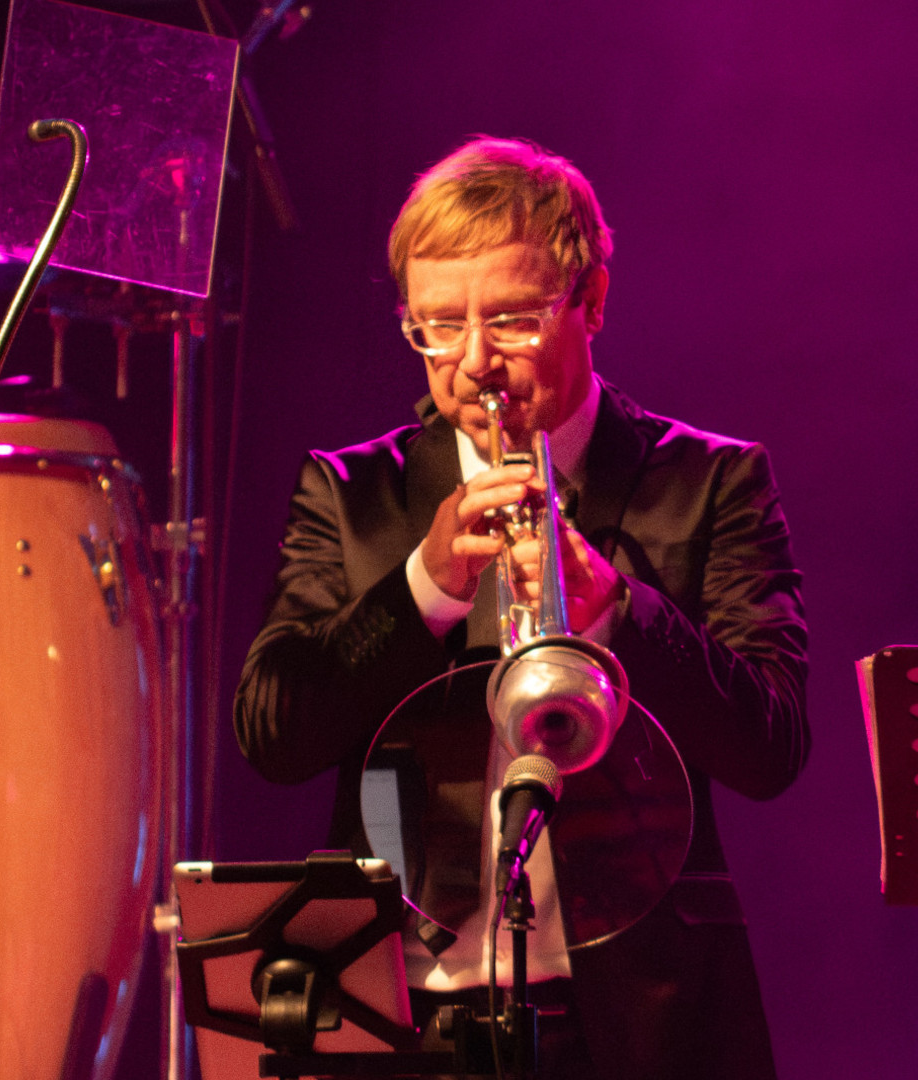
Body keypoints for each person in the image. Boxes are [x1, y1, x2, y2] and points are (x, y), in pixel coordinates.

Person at [235, 136, 808, 1080]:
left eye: (509, 321)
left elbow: (772, 745)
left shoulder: (708, 482)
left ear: (593, 300)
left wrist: (616, 608)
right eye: (435, 327)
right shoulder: (352, 492)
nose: (471, 364)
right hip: (405, 1017)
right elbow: (273, 736)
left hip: (635, 1021)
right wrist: (421, 588)